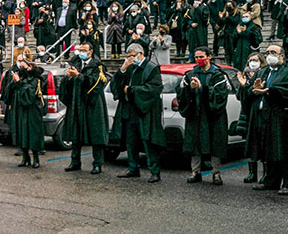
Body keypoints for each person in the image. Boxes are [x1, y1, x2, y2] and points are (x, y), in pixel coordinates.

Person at [245, 45, 288, 195]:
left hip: (283, 117)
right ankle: (271, 180)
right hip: (264, 116)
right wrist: (254, 89)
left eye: (273, 52)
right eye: (267, 53)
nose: (269, 55)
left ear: (282, 56)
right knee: (269, 149)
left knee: (285, 151)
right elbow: (249, 91)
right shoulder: (262, 71)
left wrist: (271, 91)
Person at [176, 47, 230, 185]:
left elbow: (221, 95)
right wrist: (189, 89)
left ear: (209, 57)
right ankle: (195, 172)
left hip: (213, 116)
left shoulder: (218, 75)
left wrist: (203, 89)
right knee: (195, 143)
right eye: (196, 57)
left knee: (215, 143)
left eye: (201, 57)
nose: (198, 60)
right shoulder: (190, 75)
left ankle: (216, 173)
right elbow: (181, 95)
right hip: (196, 114)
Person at [111, 44, 165, 183]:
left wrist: (131, 90)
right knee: (130, 141)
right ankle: (133, 167)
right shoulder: (129, 67)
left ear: (141, 54)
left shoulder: (151, 68)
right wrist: (122, 70)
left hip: (145, 110)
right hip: (129, 111)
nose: (130, 59)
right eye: (128, 56)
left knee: (148, 141)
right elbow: (116, 85)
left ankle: (154, 171)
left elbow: (154, 88)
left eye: (132, 56)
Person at [62, 43, 109, 174]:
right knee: (76, 134)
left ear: (90, 52)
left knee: (95, 134)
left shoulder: (98, 66)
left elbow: (95, 84)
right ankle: (75, 161)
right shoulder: (75, 64)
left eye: (84, 50)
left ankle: (97, 163)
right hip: (77, 103)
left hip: (92, 105)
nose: (81, 52)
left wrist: (79, 76)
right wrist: (69, 78)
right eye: (80, 50)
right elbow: (67, 85)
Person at [10, 57, 46, 168]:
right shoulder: (21, 77)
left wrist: (19, 83)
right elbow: (11, 91)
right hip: (21, 110)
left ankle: (36, 158)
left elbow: (29, 95)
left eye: (23, 66)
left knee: (33, 134)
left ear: (30, 67)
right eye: (20, 66)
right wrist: (14, 82)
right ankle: (25, 157)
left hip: (33, 110)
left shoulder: (36, 79)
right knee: (22, 133)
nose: (21, 69)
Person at [236, 52, 264, 183]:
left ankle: (266, 173)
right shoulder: (244, 76)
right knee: (250, 144)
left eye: (255, 60)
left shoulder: (264, 75)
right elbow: (241, 97)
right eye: (250, 60)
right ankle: (252, 173)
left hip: (260, 113)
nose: (252, 62)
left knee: (262, 144)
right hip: (247, 114)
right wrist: (244, 85)